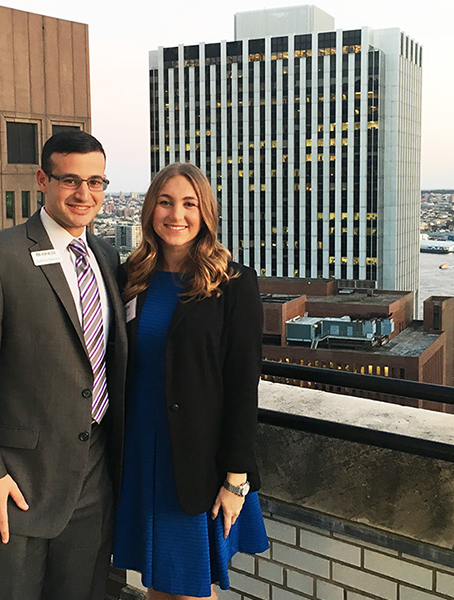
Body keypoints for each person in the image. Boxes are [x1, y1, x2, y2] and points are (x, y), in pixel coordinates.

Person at [0, 130, 127, 600]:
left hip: (94, 475)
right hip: (16, 480)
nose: (84, 194)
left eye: (96, 182)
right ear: (42, 180)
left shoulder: (106, 256)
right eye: (70, 180)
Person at [112, 163, 269, 599]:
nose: (176, 215)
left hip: (196, 461)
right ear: (149, 210)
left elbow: (242, 385)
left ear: (205, 213)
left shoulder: (234, 283)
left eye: (189, 204)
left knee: (191, 589)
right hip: (139, 454)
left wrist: (236, 477)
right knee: (159, 585)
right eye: (165, 202)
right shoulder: (130, 277)